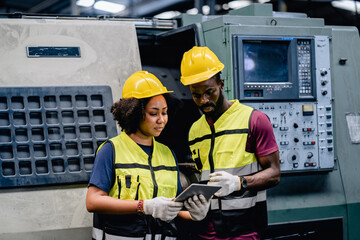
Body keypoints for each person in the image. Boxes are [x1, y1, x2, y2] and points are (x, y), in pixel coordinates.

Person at [86, 70, 210, 240]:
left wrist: (196, 213)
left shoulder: (167, 154)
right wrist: (144, 206)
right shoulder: (111, 150)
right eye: (154, 113)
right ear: (134, 112)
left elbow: (175, 206)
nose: (161, 120)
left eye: (164, 112)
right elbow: (93, 201)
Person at [179, 46, 281, 240]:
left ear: (221, 84)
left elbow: (274, 174)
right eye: (196, 95)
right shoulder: (195, 130)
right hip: (206, 230)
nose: (204, 100)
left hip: (244, 229)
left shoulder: (254, 120)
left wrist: (238, 183)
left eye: (210, 92)